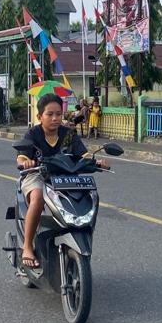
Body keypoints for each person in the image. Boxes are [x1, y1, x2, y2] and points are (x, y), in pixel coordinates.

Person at [16, 92, 108, 271]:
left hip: (64, 175)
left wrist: (96, 162)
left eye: (58, 114)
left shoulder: (67, 134)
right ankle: (27, 246)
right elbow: (21, 157)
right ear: (39, 116)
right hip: (37, 174)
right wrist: (26, 162)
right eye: (49, 114)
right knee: (37, 197)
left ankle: (81, 233)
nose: (55, 118)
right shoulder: (34, 134)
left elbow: (83, 154)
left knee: (89, 195)